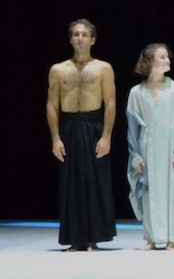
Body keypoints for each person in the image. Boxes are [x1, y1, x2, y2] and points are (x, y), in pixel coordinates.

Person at [46, 19, 117, 251]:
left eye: (84, 35)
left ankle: (93, 239)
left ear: (92, 39)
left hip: (93, 125)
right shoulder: (58, 69)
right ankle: (75, 240)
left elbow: (111, 103)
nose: (80, 38)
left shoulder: (103, 68)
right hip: (68, 127)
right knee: (71, 184)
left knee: (95, 183)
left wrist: (106, 136)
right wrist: (55, 138)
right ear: (70, 39)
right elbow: (51, 105)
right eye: (75, 34)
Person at [126, 43, 174, 251]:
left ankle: (171, 238)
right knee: (149, 192)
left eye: (167, 57)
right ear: (149, 61)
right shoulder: (136, 92)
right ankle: (150, 238)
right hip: (147, 148)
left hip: (170, 148)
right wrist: (135, 156)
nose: (167, 61)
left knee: (172, 191)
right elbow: (131, 127)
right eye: (162, 57)